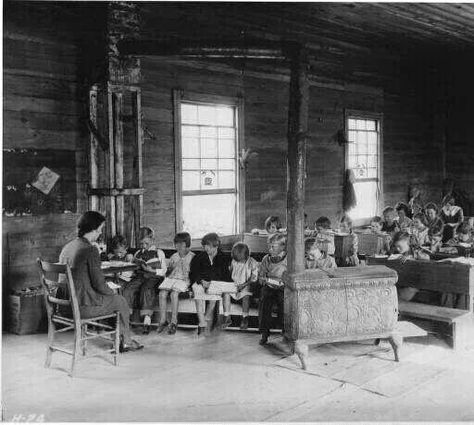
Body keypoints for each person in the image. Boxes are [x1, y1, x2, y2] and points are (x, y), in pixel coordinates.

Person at [59, 211, 143, 352]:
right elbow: (99, 284)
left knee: (114, 299)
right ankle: (125, 341)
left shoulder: (68, 247)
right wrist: (111, 292)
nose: (100, 233)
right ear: (93, 229)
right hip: (82, 307)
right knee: (120, 300)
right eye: (100, 229)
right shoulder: (90, 249)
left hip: (64, 306)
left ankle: (119, 338)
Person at [122, 227, 167, 335]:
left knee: (146, 289)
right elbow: (133, 269)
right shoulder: (138, 253)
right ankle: (126, 320)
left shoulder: (158, 252)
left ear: (152, 240)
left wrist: (152, 270)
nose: (144, 246)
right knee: (128, 288)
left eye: (146, 243)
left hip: (154, 277)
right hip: (140, 276)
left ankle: (147, 322)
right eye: (141, 244)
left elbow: (164, 270)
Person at [189, 232, 232, 336]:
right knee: (197, 292)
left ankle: (204, 321)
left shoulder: (224, 258)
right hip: (201, 282)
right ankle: (202, 321)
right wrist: (201, 281)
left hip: (216, 283)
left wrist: (212, 283)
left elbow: (225, 275)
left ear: (215, 245)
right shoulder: (199, 257)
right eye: (204, 246)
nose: (206, 248)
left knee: (213, 298)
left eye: (208, 246)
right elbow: (193, 273)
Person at [156, 232, 195, 335]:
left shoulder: (192, 257)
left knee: (174, 294)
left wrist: (191, 287)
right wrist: (170, 269)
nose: (178, 247)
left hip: (184, 281)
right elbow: (167, 273)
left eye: (181, 244)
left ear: (187, 244)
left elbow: (194, 274)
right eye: (176, 244)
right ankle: (163, 320)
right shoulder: (174, 256)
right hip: (172, 280)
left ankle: (174, 322)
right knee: (162, 294)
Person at [258, 233, 287, 345]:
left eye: (273, 247)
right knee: (264, 300)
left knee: (283, 302)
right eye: (269, 246)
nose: (270, 249)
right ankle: (264, 332)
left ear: (282, 247)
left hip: (283, 287)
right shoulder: (266, 259)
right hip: (269, 286)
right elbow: (262, 274)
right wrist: (263, 279)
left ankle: (285, 330)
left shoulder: (288, 259)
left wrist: (283, 283)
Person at [227, 242, 259, 330]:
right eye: (237, 260)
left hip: (246, 285)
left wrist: (243, 285)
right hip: (235, 285)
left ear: (246, 256)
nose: (238, 261)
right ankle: (227, 316)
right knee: (226, 293)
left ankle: (245, 318)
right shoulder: (234, 261)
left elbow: (253, 279)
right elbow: (230, 274)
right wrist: (232, 284)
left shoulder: (253, 263)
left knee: (246, 296)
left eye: (240, 260)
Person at [390, 231, 429, 302]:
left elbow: (427, 258)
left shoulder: (416, 251)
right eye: (396, 246)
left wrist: (411, 258)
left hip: (413, 285)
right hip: (402, 283)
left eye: (399, 246)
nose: (397, 249)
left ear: (407, 242)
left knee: (400, 297)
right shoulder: (398, 253)